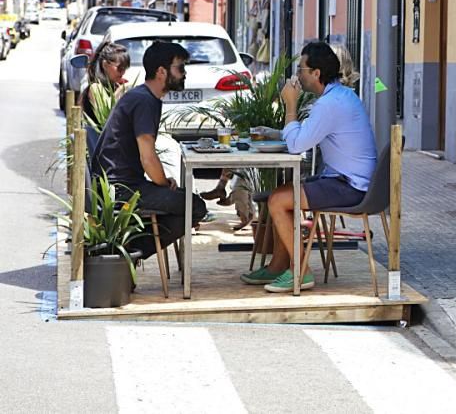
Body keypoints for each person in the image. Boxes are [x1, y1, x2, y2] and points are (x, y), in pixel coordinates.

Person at [241, 41, 377, 293]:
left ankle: (300, 271)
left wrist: (290, 105)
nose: (297, 76)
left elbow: (296, 146)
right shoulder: (338, 97)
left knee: (279, 201)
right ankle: (278, 266)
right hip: (344, 180)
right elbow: (303, 136)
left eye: (302, 69)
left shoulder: (330, 104)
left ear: (316, 73)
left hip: (351, 186)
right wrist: (275, 133)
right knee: (280, 195)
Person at [90, 41, 208, 259]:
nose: (184, 74)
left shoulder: (144, 96)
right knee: (195, 206)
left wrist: (163, 183)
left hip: (121, 185)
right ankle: (125, 252)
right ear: (162, 72)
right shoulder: (145, 101)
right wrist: (163, 184)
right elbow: (147, 156)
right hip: (120, 190)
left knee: (184, 199)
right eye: (180, 68)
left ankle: (127, 248)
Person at [79, 41, 131, 125]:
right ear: (105, 65)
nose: (123, 73)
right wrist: (121, 91)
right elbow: (105, 118)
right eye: (120, 68)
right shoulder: (95, 88)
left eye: (125, 68)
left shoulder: (117, 85)